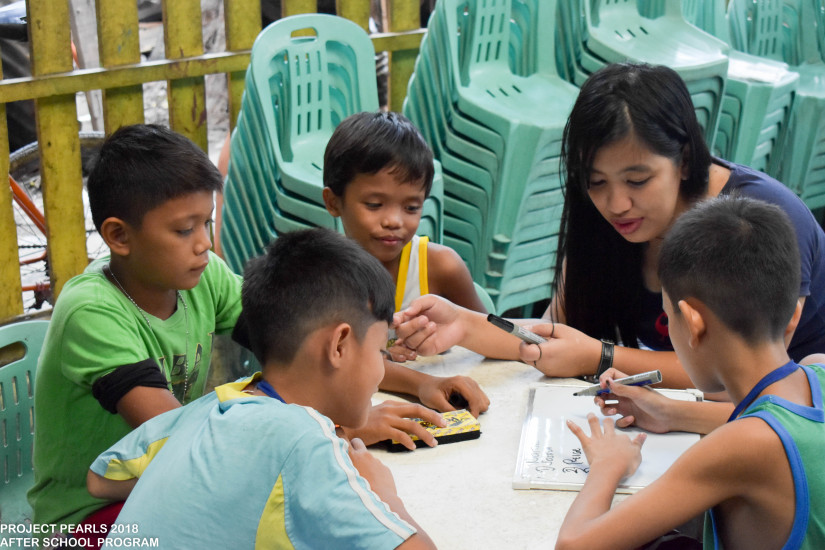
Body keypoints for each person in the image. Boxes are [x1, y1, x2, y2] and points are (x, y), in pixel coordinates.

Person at [28, 124, 480, 537]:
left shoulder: (202, 276)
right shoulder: (92, 312)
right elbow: (178, 441)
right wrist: (336, 432)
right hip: (90, 516)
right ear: (119, 236)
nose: (205, 243)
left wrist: (423, 384)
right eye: (185, 230)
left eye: (206, 222)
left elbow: (300, 340)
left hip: (177, 479)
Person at [392, 63, 825, 388]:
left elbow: (746, 375)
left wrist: (600, 357)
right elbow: (552, 337)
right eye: (595, 181)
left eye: (638, 180)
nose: (616, 204)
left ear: (685, 160)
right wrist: (465, 325)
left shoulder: (753, 221)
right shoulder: (604, 219)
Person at [87, 228, 436, 549]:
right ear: (339, 345)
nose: (380, 371)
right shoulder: (302, 438)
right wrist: (383, 492)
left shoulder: (218, 402)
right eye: (379, 352)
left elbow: (101, 479)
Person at [554, 196, 825, 549]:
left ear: (693, 323)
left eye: (669, 316)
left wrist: (608, 465)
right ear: (794, 314)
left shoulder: (737, 448)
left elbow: (575, 545)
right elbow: (787, 429)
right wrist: (671, 412)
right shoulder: (816, 368)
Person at [322, 111, 486, 318]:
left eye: (411, 208)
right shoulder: (321, 278)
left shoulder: (442, 268)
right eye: (374, 204)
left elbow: (494, 342)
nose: (394, 221)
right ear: (333, 202)